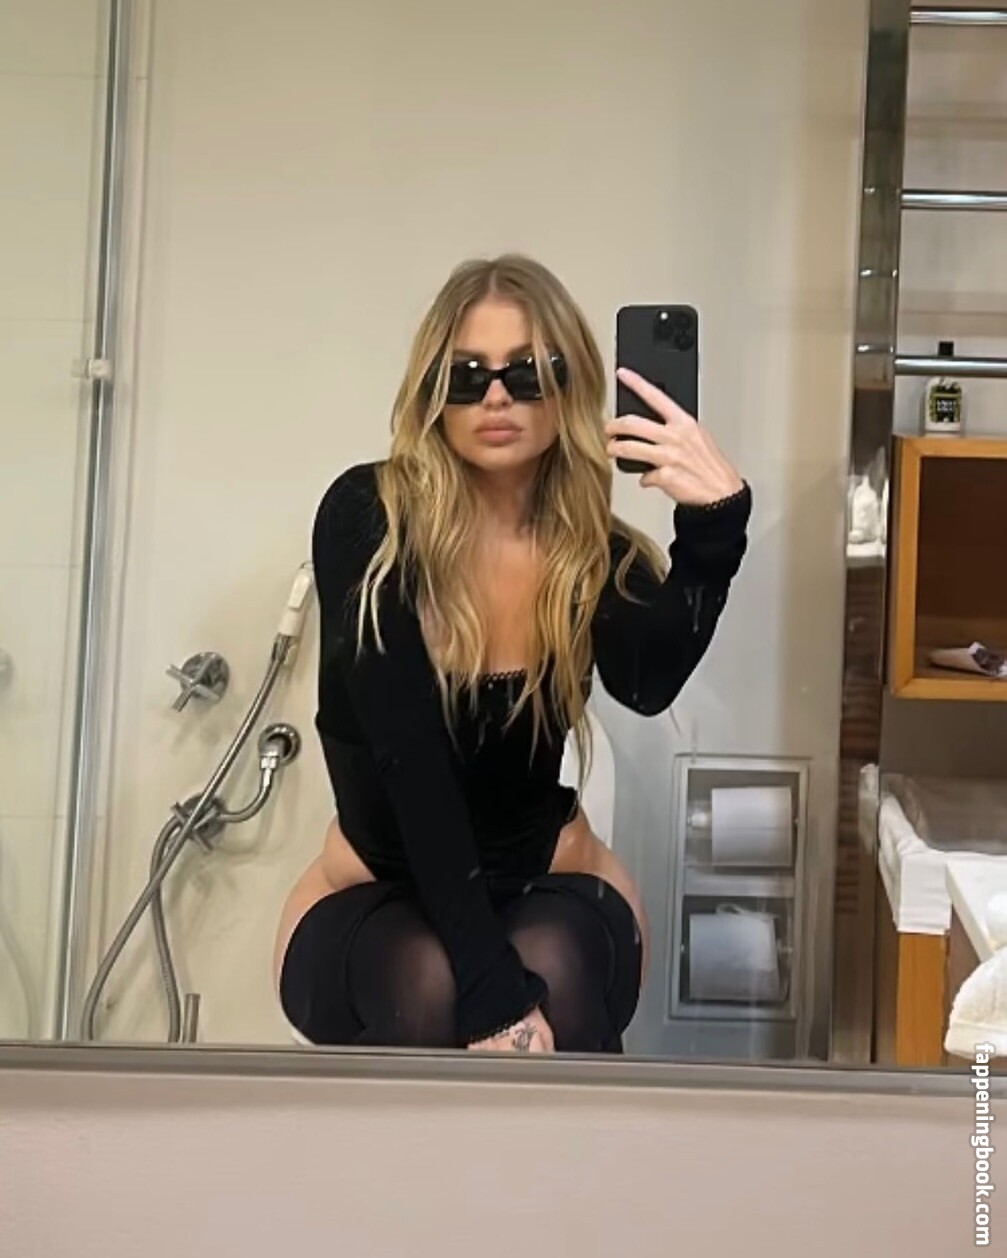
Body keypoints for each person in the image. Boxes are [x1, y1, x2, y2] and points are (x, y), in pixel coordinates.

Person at [274, 254, 750, 1054]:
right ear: (431, 391)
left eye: (527, 373)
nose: (495, 397)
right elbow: (408, 760)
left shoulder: (591, 554)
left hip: (547, 878)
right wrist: (492, 992)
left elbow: (646, 683)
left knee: (556, 969)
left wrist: (712, 533)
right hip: (380, 887)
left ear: (568, 386)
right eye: (466, 376)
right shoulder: (368, 519)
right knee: (429, 983)